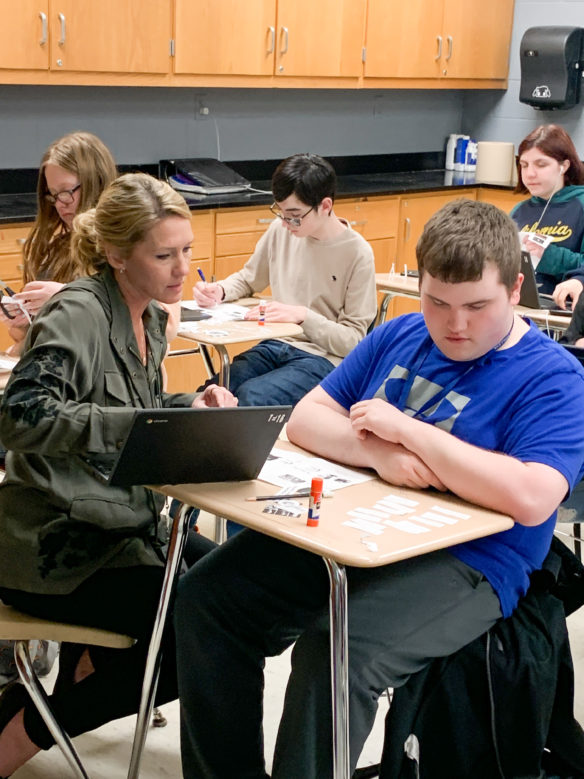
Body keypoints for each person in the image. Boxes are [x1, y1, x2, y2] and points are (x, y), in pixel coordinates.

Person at [173, 199, 584, 779]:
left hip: (471, 561)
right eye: (437, 301)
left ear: (516, 290)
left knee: (336, 656)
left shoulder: (553, 376)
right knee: (207, 599)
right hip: (359, 525)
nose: (455, 324)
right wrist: (378, 453)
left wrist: (409, 432)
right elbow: (307, 418)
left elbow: (532, 495)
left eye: (477, 306)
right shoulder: (403, 334)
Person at [0, 173, 235, 778]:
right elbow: (21, 417)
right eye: (164, 255)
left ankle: (79, 678)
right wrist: (139, 424)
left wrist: (191, 409)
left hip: (121, 530)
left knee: (245, 588)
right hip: (53, 542)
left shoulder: (149, 319)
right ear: (116, 255)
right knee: (199, 635)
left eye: (187, 250)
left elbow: (133, 417)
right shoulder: (78, 312)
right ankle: (20, 732)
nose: (182, 268)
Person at [193, 152, 377, 406]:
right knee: (211, 393)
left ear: (325, 206)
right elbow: (249, 280)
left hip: (323, 358)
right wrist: (220, 291)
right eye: (279, 211)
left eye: (294, 214)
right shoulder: (280, 230)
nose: (286, 222)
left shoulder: (358, 253)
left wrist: (303, 316)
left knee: (250, 398)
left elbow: (354, 341)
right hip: (275, 345)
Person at [0, 131, 118, 353]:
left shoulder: (124, 249)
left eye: (66, 191)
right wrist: (22, 320)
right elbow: (37, 335)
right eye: (53, 195)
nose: (60, 203)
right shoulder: (56, 250)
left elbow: (136, 326)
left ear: (95, 182)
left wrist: (65, 299)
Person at [510, 124, 584, 296]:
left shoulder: (580, 205)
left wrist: (549, 257)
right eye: (525, 165)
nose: (529, 174)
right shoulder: (518, 212)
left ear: (564, 166)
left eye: (541, 165)